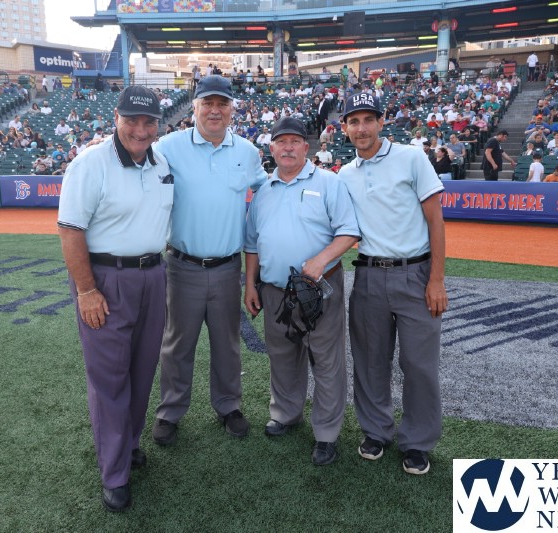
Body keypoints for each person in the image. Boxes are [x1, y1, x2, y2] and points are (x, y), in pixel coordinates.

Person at [57, 86, 170, 513]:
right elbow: (71, 230)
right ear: (116, 119)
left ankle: (130, 443)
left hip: (153, 275)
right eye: (131, 120)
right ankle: (114, 473)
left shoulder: (161, 162)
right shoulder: (90, 163)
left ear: (158, 124)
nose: (140, 130)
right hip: (105, 279)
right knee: (110, 379)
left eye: (148, 122)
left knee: (142, 369)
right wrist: (87, 290)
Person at [151, 75, 268, 446]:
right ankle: (170, 410)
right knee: (177, 345)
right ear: (195, 107)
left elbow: (267, 192)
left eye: (222, 104)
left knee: (227, 344)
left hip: (227, 268)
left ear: (232, 109)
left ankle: (228, 406)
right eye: (208, 103)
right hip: (181, 265)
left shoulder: (247, 151)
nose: (215, 111)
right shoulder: (168, 146)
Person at [338, 92, 447, 475]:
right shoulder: (345, 174)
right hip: (368, 274)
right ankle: (376, 431)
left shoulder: (411, 157)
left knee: (419, 364)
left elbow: (435, 220)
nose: (362, 128)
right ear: (345, 127)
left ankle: (417, 442)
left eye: (368, 119)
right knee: (369, 360)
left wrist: (436, 279)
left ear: (381, 122)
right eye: (354, 121)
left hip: (415, 273)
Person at [243, 117, 359, 465]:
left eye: (295, 141)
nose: (288, 147)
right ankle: (285, 413)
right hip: (275, 290)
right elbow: (252, 244)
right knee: (282, 356)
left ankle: (326, 433)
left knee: (326, 360)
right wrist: (250, 284)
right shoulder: (263, 191)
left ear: (306, 148)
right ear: (272, 148)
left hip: (319, 289)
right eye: (282, 142)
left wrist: (321, 259)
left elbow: (349, 231)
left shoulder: (328, 182)